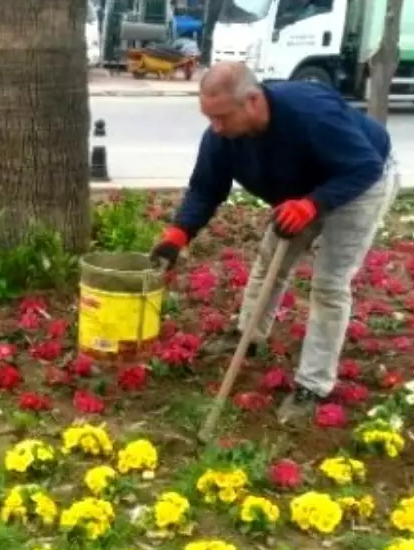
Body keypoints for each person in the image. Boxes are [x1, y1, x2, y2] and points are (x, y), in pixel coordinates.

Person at [149, 62, 399, 423]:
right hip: (298, 190)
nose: (215, 127)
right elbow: (206, 189)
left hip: (358, 183)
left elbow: (365, 166)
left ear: (252, 101)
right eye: (209, 118)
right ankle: (248, 336)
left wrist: (313, 204)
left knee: (329, 285)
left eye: (221, 117)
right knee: (271, 262)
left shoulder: (311, 113)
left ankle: (312, 385)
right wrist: (178, 234)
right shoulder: (221, 138)